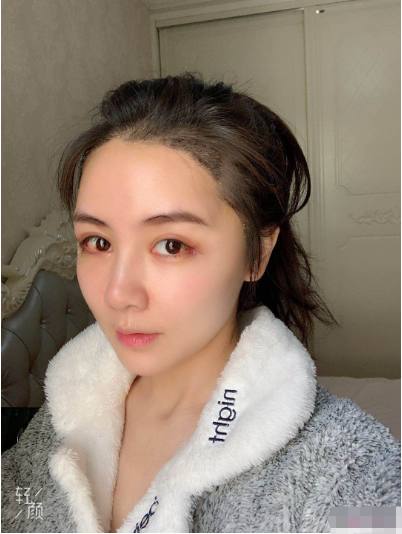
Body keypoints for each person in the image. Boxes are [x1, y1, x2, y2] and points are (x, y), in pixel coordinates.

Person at [1, 72, 400, 534]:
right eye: (98, 242)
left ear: (256, 254)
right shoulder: (62, 412)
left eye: (171, 245)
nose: (117, 293)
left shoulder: (342, 467)